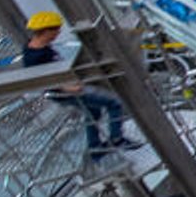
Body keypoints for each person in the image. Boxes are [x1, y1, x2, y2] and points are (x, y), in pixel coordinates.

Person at [21, 11, 139, 156]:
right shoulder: (35, 56)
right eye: (56, 30)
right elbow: (40, 79)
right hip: (64, 92)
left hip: (66, 87)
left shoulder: (37, 47)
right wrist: (66, 87)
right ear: (46, 31)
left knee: (93, 111)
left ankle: (95, 148)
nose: (58, 33)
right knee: (113, 104)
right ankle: (117, 139)